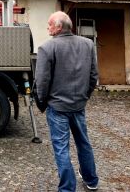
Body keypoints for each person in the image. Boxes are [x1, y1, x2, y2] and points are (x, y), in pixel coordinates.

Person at [35, 11, 99, 191]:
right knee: (83, 143)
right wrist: (84, 97)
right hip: (79, 104)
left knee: (61, 148)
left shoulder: (46, 48)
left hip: (57, 107)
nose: (47, 27)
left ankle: (67, 188)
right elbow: (93, 76)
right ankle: (91, 180)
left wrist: (43, 102)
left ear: (58, 27)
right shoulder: (88, 44)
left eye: (49, 24)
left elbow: (42, 82)